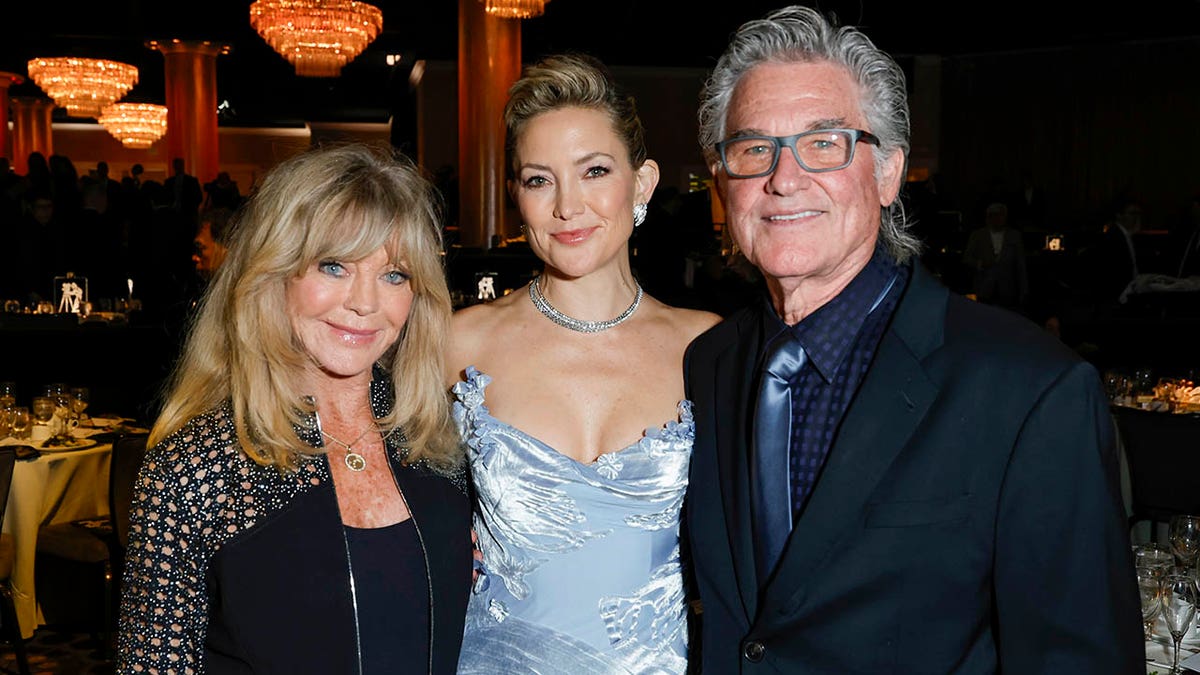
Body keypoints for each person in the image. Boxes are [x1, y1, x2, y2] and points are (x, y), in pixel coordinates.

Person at [683, 6, 1142, 673]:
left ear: (890, 172)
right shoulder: (710, 365)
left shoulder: (1030, 391)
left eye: (824, 143)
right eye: (754, 149)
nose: (783, 179)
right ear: (724, 179)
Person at [117, 143, 473, 674]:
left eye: (394, 275)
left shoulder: (438, 440)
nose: (366, 302)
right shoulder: (197, 467)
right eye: (334, 266)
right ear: (273, 273)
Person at [445, 53, 721, 673]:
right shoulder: (454, 345)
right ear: (516, 194)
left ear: (642, 183)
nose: (568, 207)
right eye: (539, 179)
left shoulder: (705, 347)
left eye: (594, 171)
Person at [960, 200, 1028, 313]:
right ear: (988, 218)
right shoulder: (977, 235)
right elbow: (966, 258)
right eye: (994, 216)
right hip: (983, 288)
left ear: (1005, 217)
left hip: (1008, 289)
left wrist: (1024, 290)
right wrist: (980, 264)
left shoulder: (1014, 236)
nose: (997, 219)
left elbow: (1021, 265)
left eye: (1000, 216)